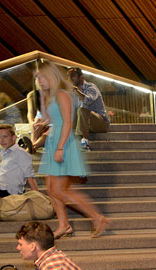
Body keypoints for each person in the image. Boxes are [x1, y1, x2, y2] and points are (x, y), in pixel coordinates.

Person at [36, 62, 110, 239]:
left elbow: (68, 122)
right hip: (53, 142)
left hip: (63, 143)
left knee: (60, 190)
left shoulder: (62, 94)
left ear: (52, 76)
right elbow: (53, 118)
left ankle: (97, 217)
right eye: (37, 77)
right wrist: (43, 123)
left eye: (41, 76)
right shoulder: (50, 96)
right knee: (51, 189)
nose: (39, 80)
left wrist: (60, 147)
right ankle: (64, 225)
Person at [0, 124, 38, 201]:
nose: (1, 140)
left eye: (5, 136)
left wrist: (37, 197)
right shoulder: (6, 152)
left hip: (8, 191)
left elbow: (30, 176)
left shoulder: (21, 153)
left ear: (14, 137)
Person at [66, 67, 110, 151]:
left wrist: (76, 91)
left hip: (101, 123)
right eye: (68, 76)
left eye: (73, 76)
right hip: (86, 124)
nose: (70, 78)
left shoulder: (91, 87)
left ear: (81, 77)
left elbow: (88, 101)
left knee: (82, 110)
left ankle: (83, 141)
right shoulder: (71, 92)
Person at [25, 88, 50, 154]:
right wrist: (31, 123)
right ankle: (33, 146)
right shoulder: (31, 95)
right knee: (37, 122)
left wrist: (44, 124)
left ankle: (32, 146)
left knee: (47, 134)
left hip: (52, 121)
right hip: (40, 121)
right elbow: (30, 112)